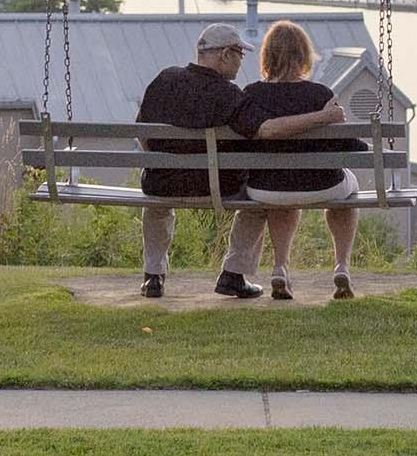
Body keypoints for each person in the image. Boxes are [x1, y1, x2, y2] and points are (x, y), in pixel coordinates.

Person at [133, 24, 340, 300]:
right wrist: (323, 117)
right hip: (217, 188)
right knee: (256, 203)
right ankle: (233, 273)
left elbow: (142, 132)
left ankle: (153, 276)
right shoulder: (229, 96)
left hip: (162, 184)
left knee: (157, 203)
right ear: (226, 55)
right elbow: (267, 129)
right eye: (240, 54)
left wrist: (157, 164)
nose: (242, 61)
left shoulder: (164, 79)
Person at [234, 20, 366, 301]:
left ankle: (280, 267)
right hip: (323, 185)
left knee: (284, 190)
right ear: (303, 56)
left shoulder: (251, 94)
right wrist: (366, 146)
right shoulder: (321, 95)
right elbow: (344, 144)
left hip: (266, 188)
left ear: (267, 56)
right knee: (349, 190)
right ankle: (342, 266)